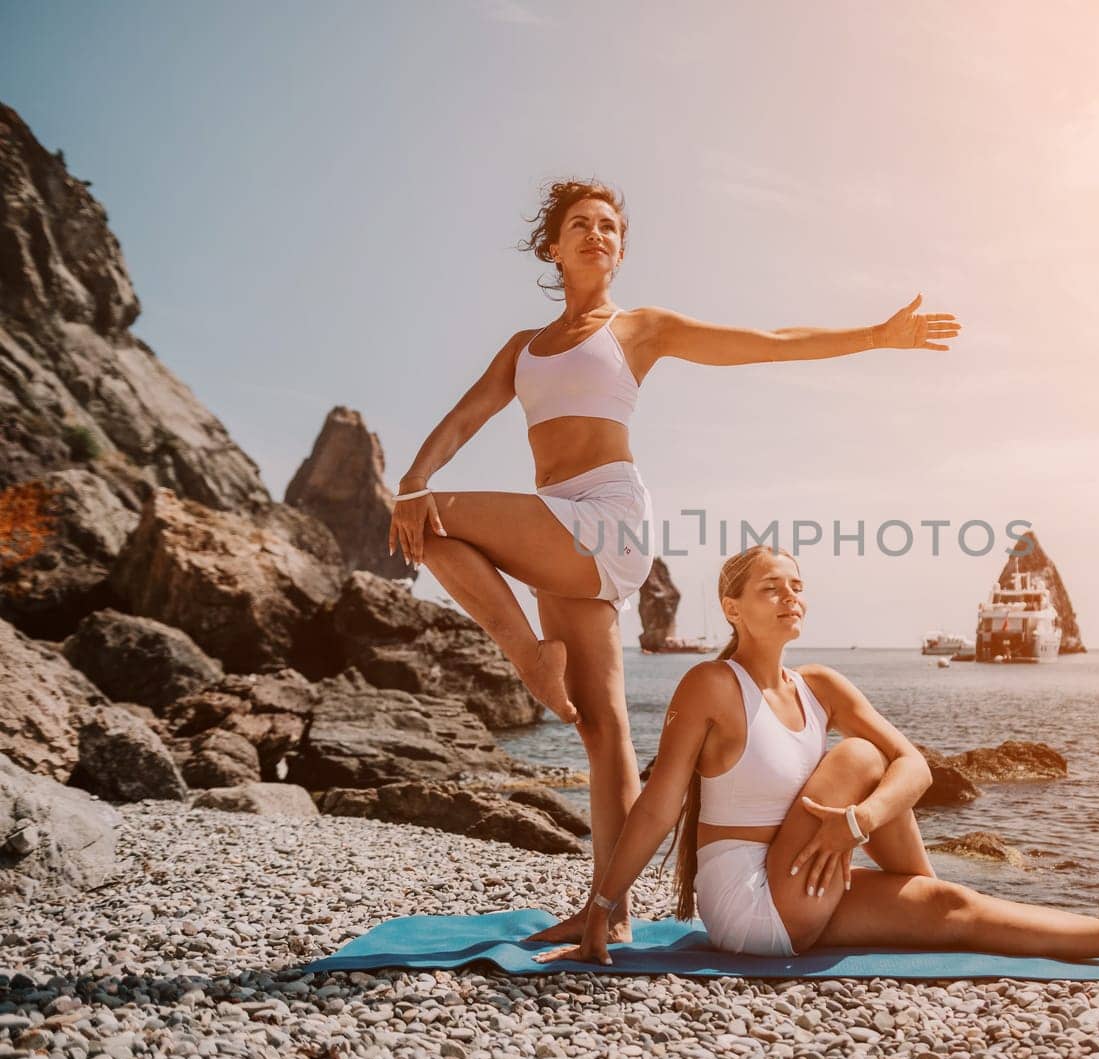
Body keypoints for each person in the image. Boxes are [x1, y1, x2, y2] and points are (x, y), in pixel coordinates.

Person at [386, 180, 962, 945]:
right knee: (603, 729)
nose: (598, 235)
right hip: (559, 527)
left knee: (438, 515)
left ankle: (528, 658)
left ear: (620, 249)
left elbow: (768, 341)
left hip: (606, 518)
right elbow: (464, 417)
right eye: (581, 226)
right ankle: (610, 910)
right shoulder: (521, 350)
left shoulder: (640, 329)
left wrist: (875, 335)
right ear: (551, 248)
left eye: (611, 227)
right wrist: (410, 481)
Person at [532, 546, 1099, 973]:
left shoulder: (821, 686)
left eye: (797, 584)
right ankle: (913, 888)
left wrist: (857, 823)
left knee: (951, 901)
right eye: (770, 586)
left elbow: (920, 769)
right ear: (733, 607)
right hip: (747, 900)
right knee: (862, 754)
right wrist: (602, 908)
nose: (790, 595)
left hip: (803, 875)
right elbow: (659, 803)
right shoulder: (712, 686)